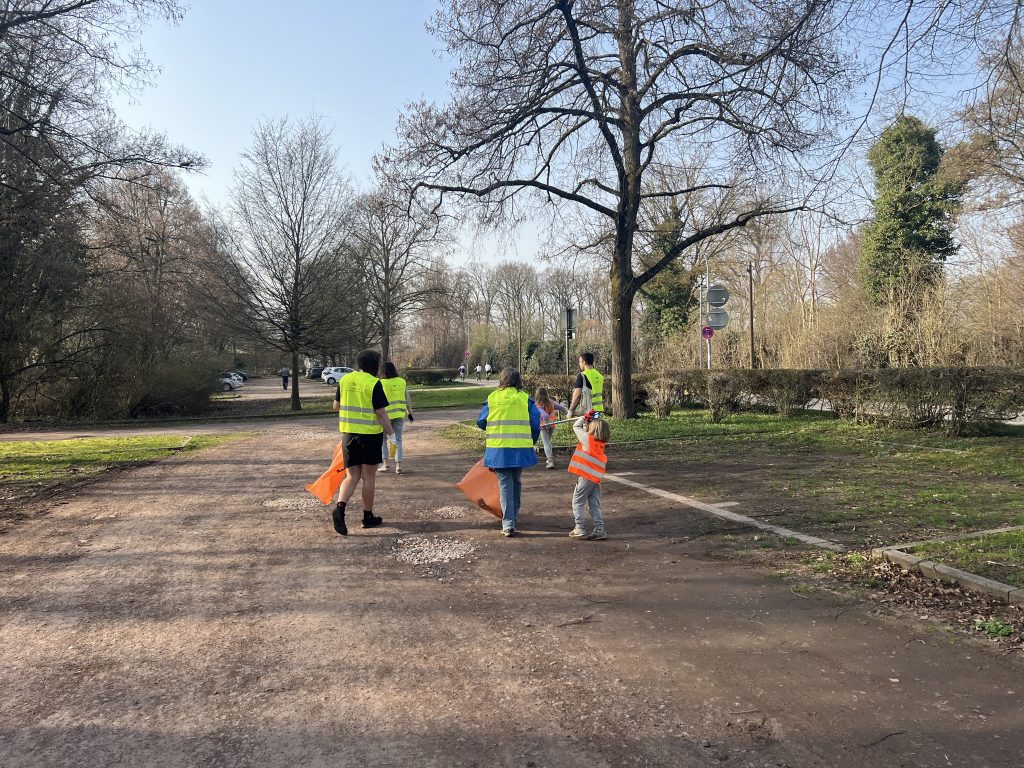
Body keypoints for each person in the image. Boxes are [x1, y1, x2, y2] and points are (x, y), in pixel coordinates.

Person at [332, 349, 395, 536]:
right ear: (374, 364)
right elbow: (381, 413)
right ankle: (367, 517)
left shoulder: (344, 380)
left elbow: (336, 406)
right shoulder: (374, 383)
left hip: (349, 435)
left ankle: (340, 508)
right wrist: (391, 434)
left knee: (351, 477)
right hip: (369, 436)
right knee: (369, 477)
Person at [476, 367, 540, 537]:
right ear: (518, 381)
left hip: (499, 449)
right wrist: (530, 441)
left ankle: (508, 523)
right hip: (519, 448)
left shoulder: (492, 398)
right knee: (516, 481)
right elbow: (535, 424)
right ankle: (513, 517)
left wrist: (494, 426)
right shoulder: (524, 399)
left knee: (505, 483)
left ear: (502, 380)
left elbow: (481, 421)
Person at [567, 412, 611, 540]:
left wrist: (584, 418)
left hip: (586, 477)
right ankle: (599, 529)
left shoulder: (588, 439)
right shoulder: (600, 444)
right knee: (594, 504)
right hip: (595, 478)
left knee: (577, 502)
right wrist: (587, 422)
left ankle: (579, 527)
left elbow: (576, 426)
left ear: (593, 428)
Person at [378, 361, 414, 475]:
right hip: (399, 414)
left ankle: (386, 464)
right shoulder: (401, 382)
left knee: (383, 439)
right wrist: (410, 413)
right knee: (398, 439)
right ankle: (398, 466)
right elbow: (407, 399)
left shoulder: (381, 383)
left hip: (385, 416)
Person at [534, 387, 568, 469]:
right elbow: (562, 408)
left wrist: (546, 423)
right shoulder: (551, 402)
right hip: (552, 425)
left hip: (543, 426)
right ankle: (550, 459)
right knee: (548, 442)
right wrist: (568, 413)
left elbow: (544, 416)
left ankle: (550, 461)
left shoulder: (538, 405)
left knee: (546, 443)